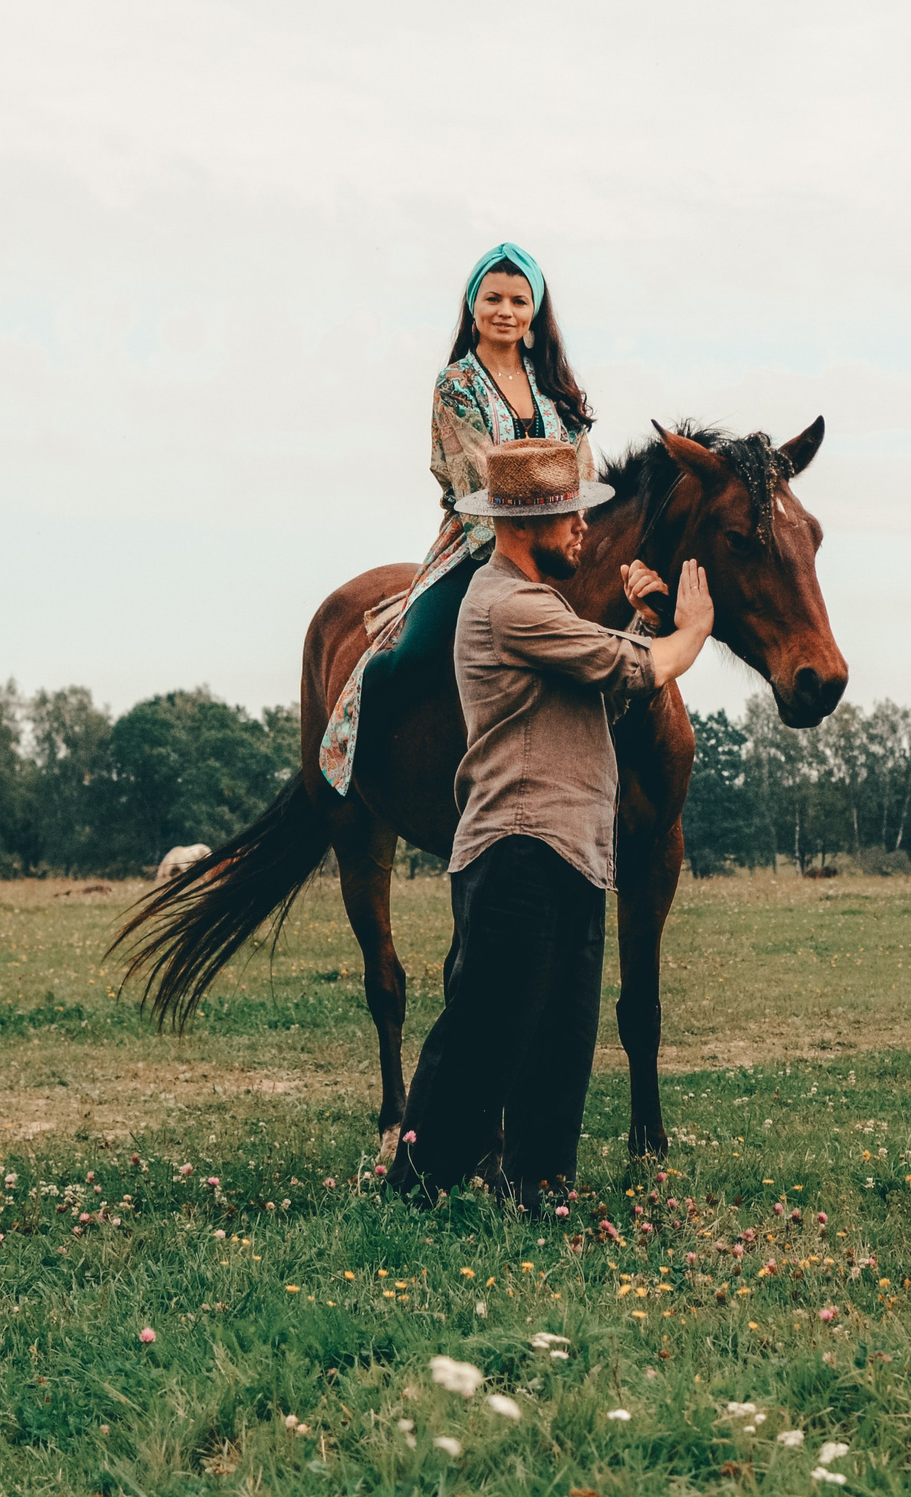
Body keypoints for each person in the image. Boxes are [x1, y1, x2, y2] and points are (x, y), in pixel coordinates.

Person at [386, 437, 714, 1203]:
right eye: (571, 517)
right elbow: (634, 668)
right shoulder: (510, 603)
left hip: (568, 851)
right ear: (527, 524)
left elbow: (602, 692)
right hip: (517, 851)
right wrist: (689, 630)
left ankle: (538, 1189)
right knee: (484, 1032)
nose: (584, 531)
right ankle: (416, 1186)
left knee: (561, 1040)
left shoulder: (545, 610)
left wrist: (643, 622)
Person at [314, 243, 598, 794]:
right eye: (493, 298)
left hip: (562, 541)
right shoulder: (456, 385)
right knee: (417, 652)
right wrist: (521, 548)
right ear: (473, 308)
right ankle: (355, 744)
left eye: (518, 301)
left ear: (534, 313)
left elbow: (582, 471)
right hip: (478, 543)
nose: (505, 311)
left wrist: (575, 531)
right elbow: (476, 479)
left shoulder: (558, 389)